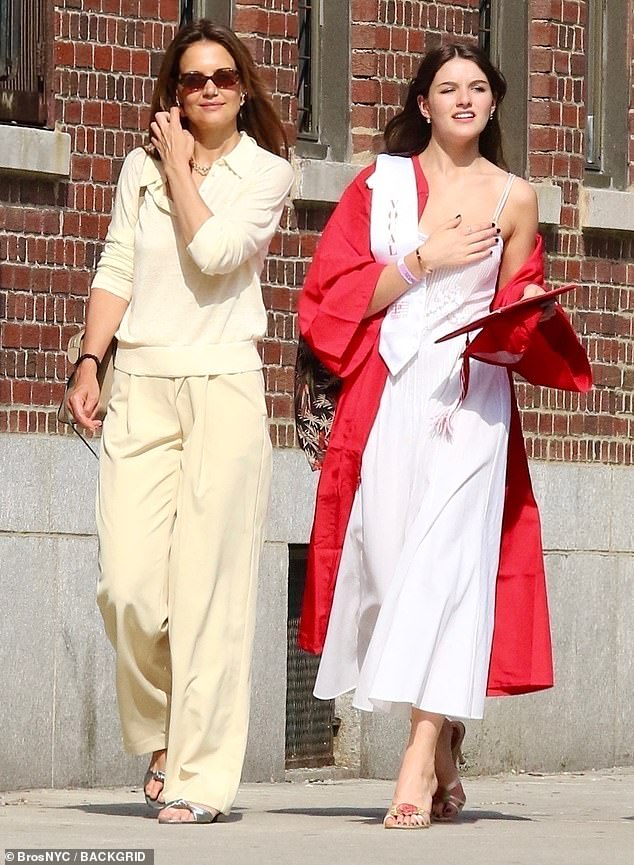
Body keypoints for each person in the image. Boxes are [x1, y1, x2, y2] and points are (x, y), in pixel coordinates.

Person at [296, 43, 591, 829]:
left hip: (474, 400)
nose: (464, 98)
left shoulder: (516, 198)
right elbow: (335, 297)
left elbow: (512, 310)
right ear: (423, 104)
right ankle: (447, 739)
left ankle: (417, 759)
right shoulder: (381, 185)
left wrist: (535, 316)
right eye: (447, 87)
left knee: (447, 567)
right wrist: (425, 258)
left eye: (479, 88)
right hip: (395, 388)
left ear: (494, 104)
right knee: (393, 567)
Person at [66, 20, 294, 824]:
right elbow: (118, 264)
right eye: (194, 78)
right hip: (143, 383)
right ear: (174, 89)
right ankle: (167, 726)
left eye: (223, 78)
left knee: (211, 593)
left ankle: (198, 776)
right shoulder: (136, 170)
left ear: (242, 90)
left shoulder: (269, 172)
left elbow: (218, 253)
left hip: (225, 385)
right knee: (127, 588)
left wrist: (177, 167)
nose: (208, 89)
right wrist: (90, 361)